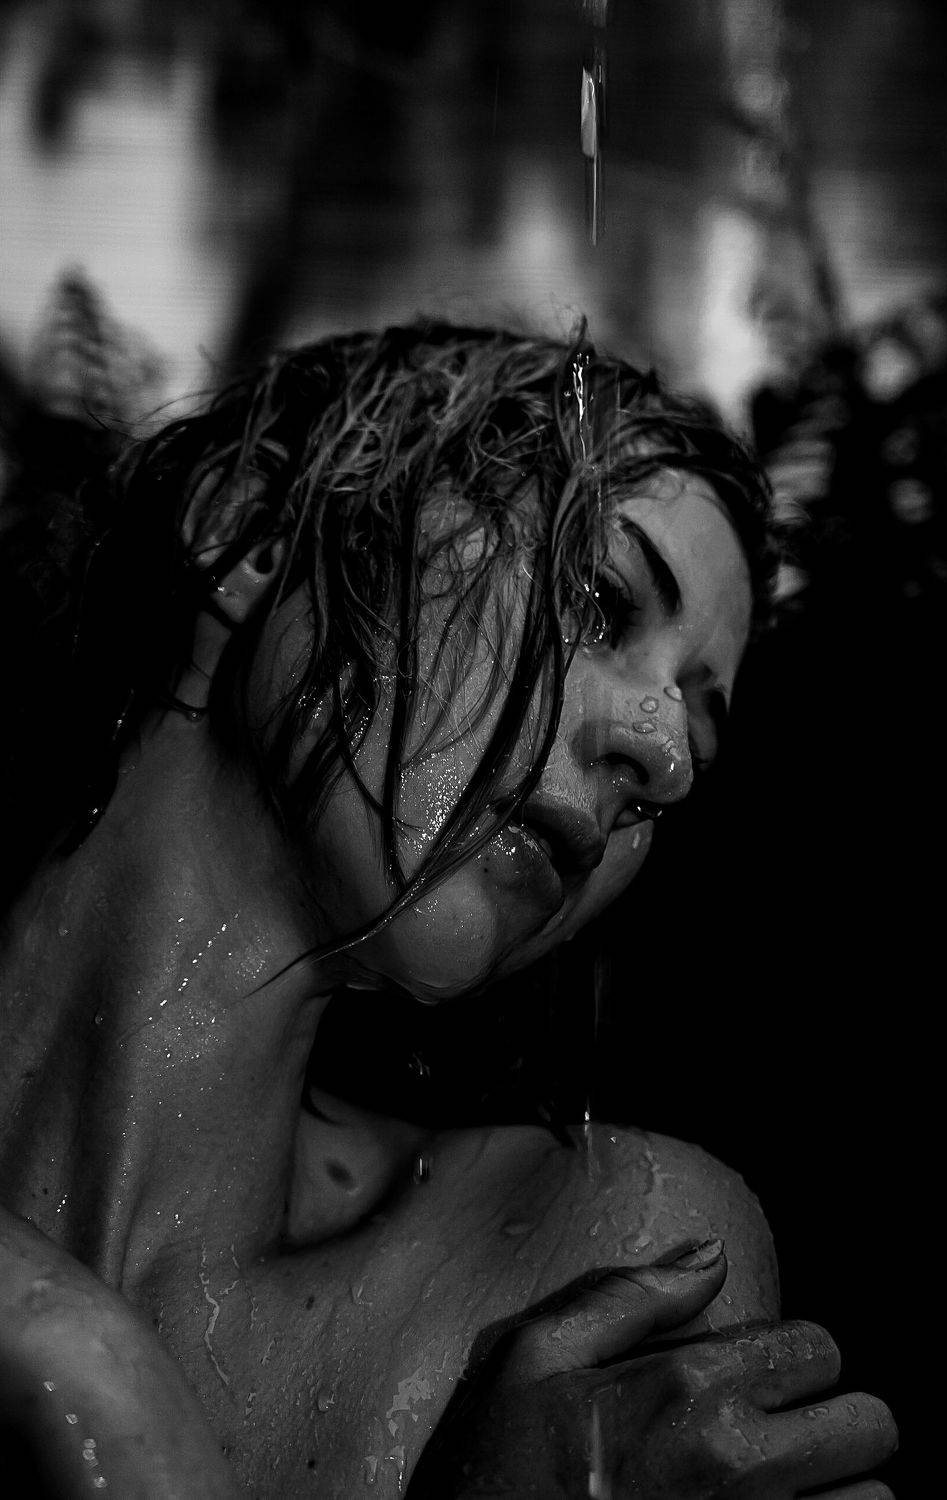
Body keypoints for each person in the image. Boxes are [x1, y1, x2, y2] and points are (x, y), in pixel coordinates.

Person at [0, 322, 897, 1497]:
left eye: (699, 731)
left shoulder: (589, 1258)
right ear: (250, 533)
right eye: (597, 597)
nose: (665, 758)